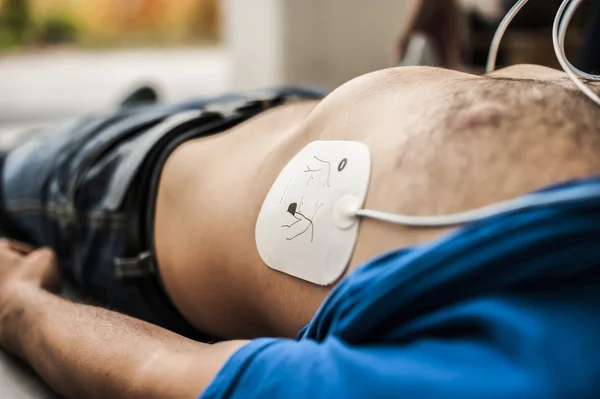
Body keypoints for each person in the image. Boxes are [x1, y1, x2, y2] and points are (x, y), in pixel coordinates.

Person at [1, 60, 600, 398]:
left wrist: (18, 304)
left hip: (132, 184)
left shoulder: (511, 378)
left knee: (19, 164)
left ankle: (119, 118)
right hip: (304, 100)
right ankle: (133, 105)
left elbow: (156, 376)